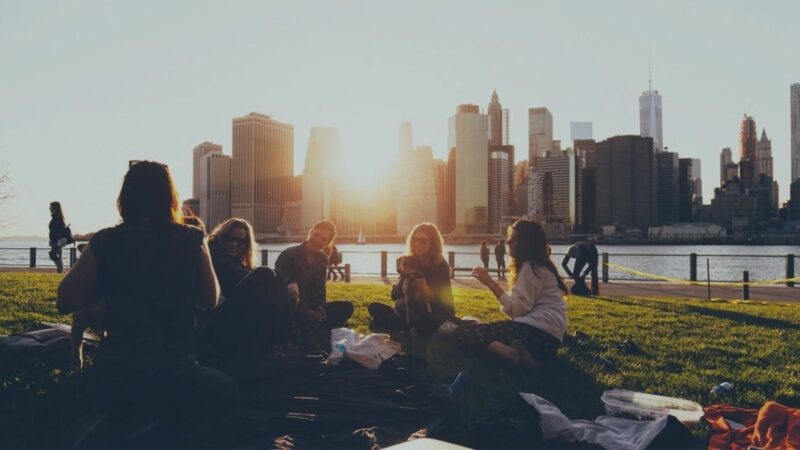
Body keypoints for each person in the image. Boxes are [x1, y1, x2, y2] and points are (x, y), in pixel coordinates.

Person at [55, 161, 238, 422]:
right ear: (170, 198)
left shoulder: (105, 241)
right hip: (175, 375)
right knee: (228, 391)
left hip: (115, 378)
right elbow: (210, 301)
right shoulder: (192, 238)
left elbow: (65, 300)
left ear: (125, 198)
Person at [453, 220, 567, 371]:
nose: (508, 242)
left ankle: (511, 355)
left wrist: (490, 283)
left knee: (464, 334)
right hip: (550, 340)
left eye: (514, 239)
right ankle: (526, 357)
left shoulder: (530, 268)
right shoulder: (541, 267)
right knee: (484, 331)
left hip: (535, 332)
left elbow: (517, 310)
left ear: (526, 243)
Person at [202, 218, 296, 360]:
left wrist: (289, 283)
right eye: (230, 239)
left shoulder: (233, 260)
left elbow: (249, 273)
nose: (234, 244)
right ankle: (285, 340)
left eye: (240, 242)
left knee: (274, 279)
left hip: (229, 316)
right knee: (265, 274)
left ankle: (285, 339)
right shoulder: (215, 254)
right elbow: (240, 275)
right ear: (221, 236)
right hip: (215, 320)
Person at [368, 223, 456, 333]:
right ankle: (405, 326)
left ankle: (402, 326)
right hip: (408, 311)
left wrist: (424, 290)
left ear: (432, 243)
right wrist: (401, 282)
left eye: (423, 241)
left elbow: (441, 300)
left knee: (423, 320)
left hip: (434, 312)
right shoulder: (408, 261)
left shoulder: (440, 265)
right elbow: (395, 296)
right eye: (415, 240)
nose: (418, 243)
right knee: (374, 307)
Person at [275, 220, 354, 336]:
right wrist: (309, 312)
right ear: (310, 233)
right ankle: (311, 324)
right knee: (292, 312)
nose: (317, 240)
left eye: (323, 239)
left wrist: (320, 306)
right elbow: (283, 288)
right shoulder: (288, 255)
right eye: (316, 235)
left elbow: (321, 289)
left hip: (311, 305)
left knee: (346, 307)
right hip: (291, 305)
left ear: (327, 243)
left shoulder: (323, 259)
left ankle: (313, 323)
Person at [48, 201, 71, 273]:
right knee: (58, 255)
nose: (49, 208)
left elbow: (56, 231)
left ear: (54, 208)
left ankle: (60, 270)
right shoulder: (59, 218)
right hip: (59, 239)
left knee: (54, 255)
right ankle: (61, 270)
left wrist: (54, 240)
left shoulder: (56, 218)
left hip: (57, 240)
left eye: (50, 207)